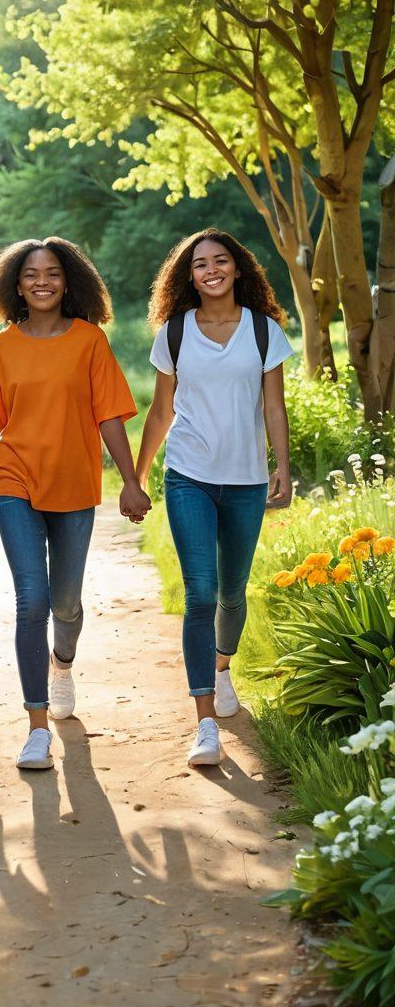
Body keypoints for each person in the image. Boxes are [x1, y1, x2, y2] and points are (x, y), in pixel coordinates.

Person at [0, 237, 150, 771]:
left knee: (65, 605)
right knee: (31, 600)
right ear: (15, 283)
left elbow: (109, 418)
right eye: (31, 273)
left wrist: (131, 480)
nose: (42, 281)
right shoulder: (2, 348)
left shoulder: (89, 341)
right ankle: (36, 726)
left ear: (68, 280)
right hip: (16, 481)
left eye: (52, 272)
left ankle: (62, 664)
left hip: (75, 485)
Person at [134, 229, 293, 769]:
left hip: (246, 479)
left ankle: (222, 668)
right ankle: (204, 723)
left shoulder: (264, 332)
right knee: (200, 592)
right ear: (189, 277)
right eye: (199, 264)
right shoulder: (174, 334)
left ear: (238, 269)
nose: (210, 270)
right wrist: (136, 476)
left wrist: (283, 466)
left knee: (232, 592)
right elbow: (161, 412)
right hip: (189, 474)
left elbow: (274, 406)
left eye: (220, 260)